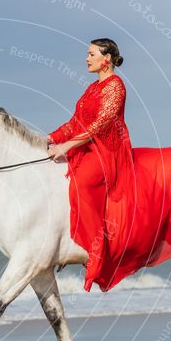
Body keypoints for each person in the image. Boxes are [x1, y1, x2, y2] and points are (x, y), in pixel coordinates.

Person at [47, 38, 133, 291]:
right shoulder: (91, 89)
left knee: (82, 184)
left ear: (106, 59)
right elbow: (75, 123)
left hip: (108, 149)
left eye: (91, 54)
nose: (87, 58)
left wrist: (67, 146)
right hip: (87, 146)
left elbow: (101, 124)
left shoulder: (115, 86)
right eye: (87, 54)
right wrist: (50, 138)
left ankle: (97, 250)